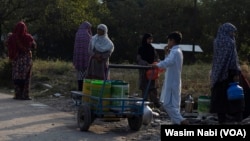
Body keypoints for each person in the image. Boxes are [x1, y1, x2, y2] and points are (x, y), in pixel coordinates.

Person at [152, 31, 189, 125]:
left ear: (172, 41)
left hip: (172, 82)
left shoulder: (175, 51)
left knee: (167, 104)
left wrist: (157, 65)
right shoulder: (177, 51)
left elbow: (168, 62)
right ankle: (177, 123)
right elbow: (169, 60)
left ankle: (181, 120)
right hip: (174, 80)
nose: (167, 43)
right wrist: (166, 54)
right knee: (175, 105)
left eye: (168, 41)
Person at [210, 22, 244, 124]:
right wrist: (236, 72)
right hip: (229, 73)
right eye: (232, 32)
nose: (233, 34)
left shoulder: (216, 41)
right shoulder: (230, 42)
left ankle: (222, 119)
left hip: (217, 72)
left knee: (220, 97)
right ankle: (237, 118)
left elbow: (217, 58)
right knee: (234, 96)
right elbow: (233, 58)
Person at [7, 21, 37, 100]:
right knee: (26, 77)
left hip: (16, 59)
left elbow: (7, 44)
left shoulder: (12, 37)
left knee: (17, 77)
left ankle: (17, 95)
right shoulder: (28, 37)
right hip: (26, 59)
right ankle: (25, 95)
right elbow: (34, 46)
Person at [136, 33, 161, 108]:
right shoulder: (141, 49)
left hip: (152, 72)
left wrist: (155, 63)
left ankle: (157, 106)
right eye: (148, 39)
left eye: (151, 39)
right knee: (145, 89)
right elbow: (139, 59)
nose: (150, 41)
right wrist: (146, 64)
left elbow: (156, 58)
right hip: (144, 72)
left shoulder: (152, 49)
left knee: (153, 89)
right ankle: (145, 107)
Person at [73, 21, 92, 91]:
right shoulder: (88, 35)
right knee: (86, 76)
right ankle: (85, 92)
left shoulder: (77, 34)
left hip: (78, 59)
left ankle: (79, 90)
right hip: (86, 59)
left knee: (79, 75)